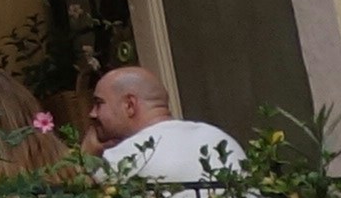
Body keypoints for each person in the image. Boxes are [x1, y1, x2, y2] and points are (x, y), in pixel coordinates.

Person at [88, 64, 247, 186]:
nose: (92, 113)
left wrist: (86, 154)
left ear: (130, 105)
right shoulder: (221, 140)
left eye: (99, 103)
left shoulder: (123, 159)